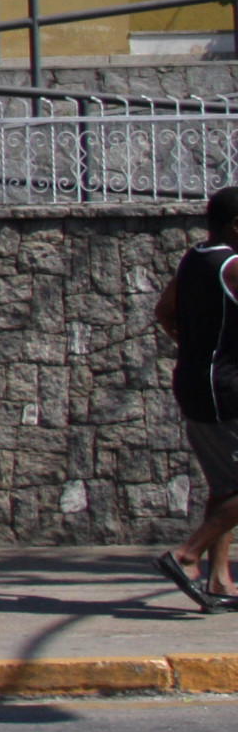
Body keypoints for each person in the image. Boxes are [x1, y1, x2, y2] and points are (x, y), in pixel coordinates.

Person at [154, 183, 238, 610]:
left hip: (197, 382)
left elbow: (164, 311)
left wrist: (195, 348)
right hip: (224, 390)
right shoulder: (233, 266)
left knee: (226, 487)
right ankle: (187, 556)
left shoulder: (194, 258)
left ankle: (220, 580)